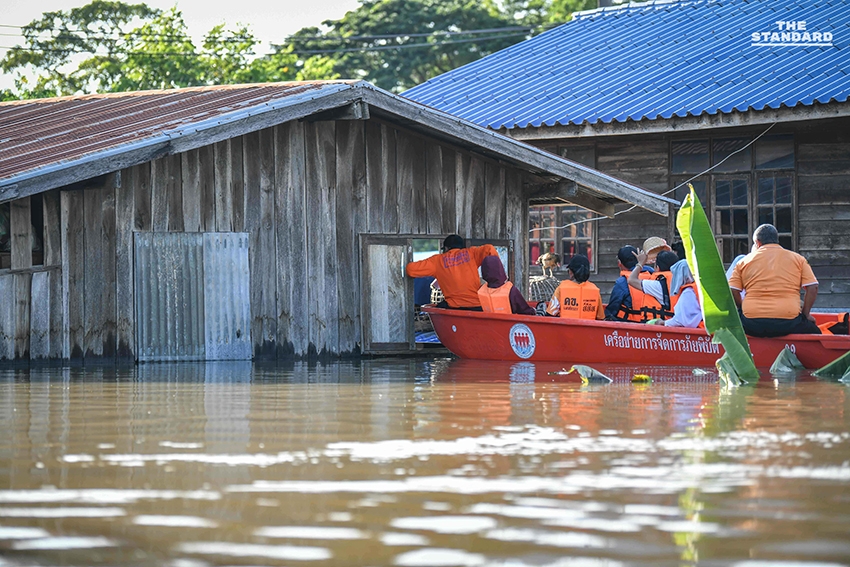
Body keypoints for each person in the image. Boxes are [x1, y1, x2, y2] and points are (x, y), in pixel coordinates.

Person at [728, 224, 820, 337]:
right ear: (777, 240)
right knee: (816, 332)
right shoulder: (798, 259)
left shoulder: (743, 261)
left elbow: (733, 290)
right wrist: (805, 315)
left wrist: (742, 308)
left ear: (757, 243)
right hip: (789, 322)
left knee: (732, 325)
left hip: (752, 323)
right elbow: (813, 287)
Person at [405, 234, 497, 310]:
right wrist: (491, 277)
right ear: (462, 247)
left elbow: (410, 270)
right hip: (477, 307)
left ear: (446, 248)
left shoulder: (437, 261)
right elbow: (490, 249)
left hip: (454, 307)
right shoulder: (471, 253)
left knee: (437, 307)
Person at [631, 256, 703, 328]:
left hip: (691, 332)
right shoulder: (701, 288)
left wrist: (640, 264)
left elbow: (682, 321)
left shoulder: (688, 292)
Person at [546, 255, 604, 320]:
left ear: (571, 272)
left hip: (565, 329)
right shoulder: (595, 290)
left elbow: (550, 314)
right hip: (588, 329)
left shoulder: (562, 288)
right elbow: (600, 317)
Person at [628, 250, 680, 322]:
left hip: (663, 326)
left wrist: (640, 263)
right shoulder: (683, 281)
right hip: (678, 323)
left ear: (657, 268)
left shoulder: (658, 286)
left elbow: (631, 280)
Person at [605, 245, 653, 322]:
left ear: (619, 263)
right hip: (652, 322)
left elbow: (613, 308)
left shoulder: (622, 282)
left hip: (630, 325)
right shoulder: (652, 274)